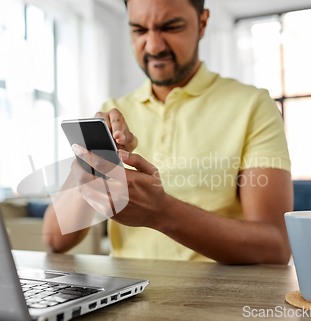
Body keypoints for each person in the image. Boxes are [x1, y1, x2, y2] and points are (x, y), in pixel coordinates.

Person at [42, 0, 293, 264]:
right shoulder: (113, 111)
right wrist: (95, 158)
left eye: (171, 27)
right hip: (124, 296)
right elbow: (54, 240)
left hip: (219, 299)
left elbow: (274, 248)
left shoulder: (253, 105)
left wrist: (161, 213)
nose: (153, 46)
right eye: (139, 30)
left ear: (202, 23)